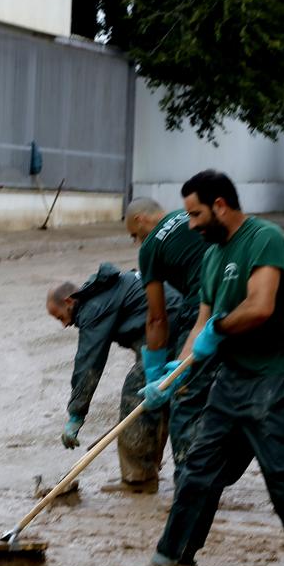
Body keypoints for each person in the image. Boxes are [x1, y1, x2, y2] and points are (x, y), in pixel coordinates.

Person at [123, 170, 284, 566]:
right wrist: (172, 375)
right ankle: (174, 558)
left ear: (221, 205)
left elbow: (260, 306)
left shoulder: (265, 239)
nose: (190, 224)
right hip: (234, 378)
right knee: (197, 469)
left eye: (196, 214)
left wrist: (218, 330)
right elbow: (202, 323)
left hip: (279, 375)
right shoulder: (211, 256)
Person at [47, 263, 186, 494]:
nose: (64, 324)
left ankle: (138, 480)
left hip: (170, 326)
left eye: (59, 316)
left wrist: (76, 414)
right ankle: (155, 470)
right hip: (178, 322)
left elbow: (89, 363)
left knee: (136, 393)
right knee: (160, 396)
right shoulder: (107, 290)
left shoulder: (93, 307)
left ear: (69, 301)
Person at [125, 197, 212, 474]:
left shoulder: (150, 248)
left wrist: (154, 373)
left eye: (134, 236)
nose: (137, 241)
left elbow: (157, 317)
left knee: (184, 401)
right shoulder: (191, 217)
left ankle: (189, 485)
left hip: (201, 312)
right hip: (241, 303)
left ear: (140, 219)